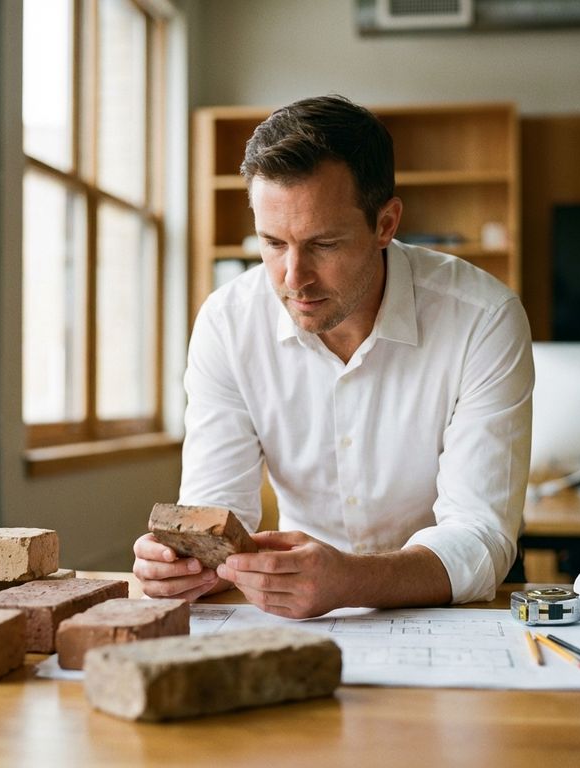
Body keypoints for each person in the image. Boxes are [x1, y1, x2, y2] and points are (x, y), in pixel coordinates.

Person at [133, 94, 533, 619]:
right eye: (273, 243)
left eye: (323, 244)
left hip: (453, 606)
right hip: (296, 601)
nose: (293, 278)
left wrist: (350, 580)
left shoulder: (484, 317)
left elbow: (480, 537)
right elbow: (217, 511)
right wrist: (185, 567)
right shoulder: (227, 322)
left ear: (386, 224)